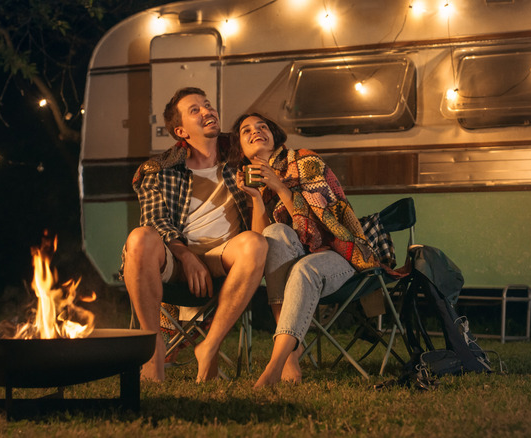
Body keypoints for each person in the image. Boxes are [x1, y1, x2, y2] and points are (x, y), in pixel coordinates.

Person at [122, 88, 267, 382]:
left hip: (222, 258)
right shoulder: (160, 169)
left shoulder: (240, 159)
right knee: (140, 238)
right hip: (177, 260)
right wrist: (185, 255)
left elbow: (276, 147)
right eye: (195, 110)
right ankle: (152, 348)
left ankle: (209, 347)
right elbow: (155, 220)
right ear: (180, 131)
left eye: (208, 105)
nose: (207, 112)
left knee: (255, 243)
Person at [229, 113, 382, 388]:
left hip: (339, 252)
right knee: (273, 234)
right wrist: (257, 199)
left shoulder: (304, 161)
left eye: (263, 126)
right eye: (246, 130)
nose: (256, 132)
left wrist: (279, 186)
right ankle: (289, 358)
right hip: (295, 266)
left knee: (304, 266)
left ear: (274, 135)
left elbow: (323, 224)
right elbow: (262, 239)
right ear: (241, 148)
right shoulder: (255, 182)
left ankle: (275, 366)